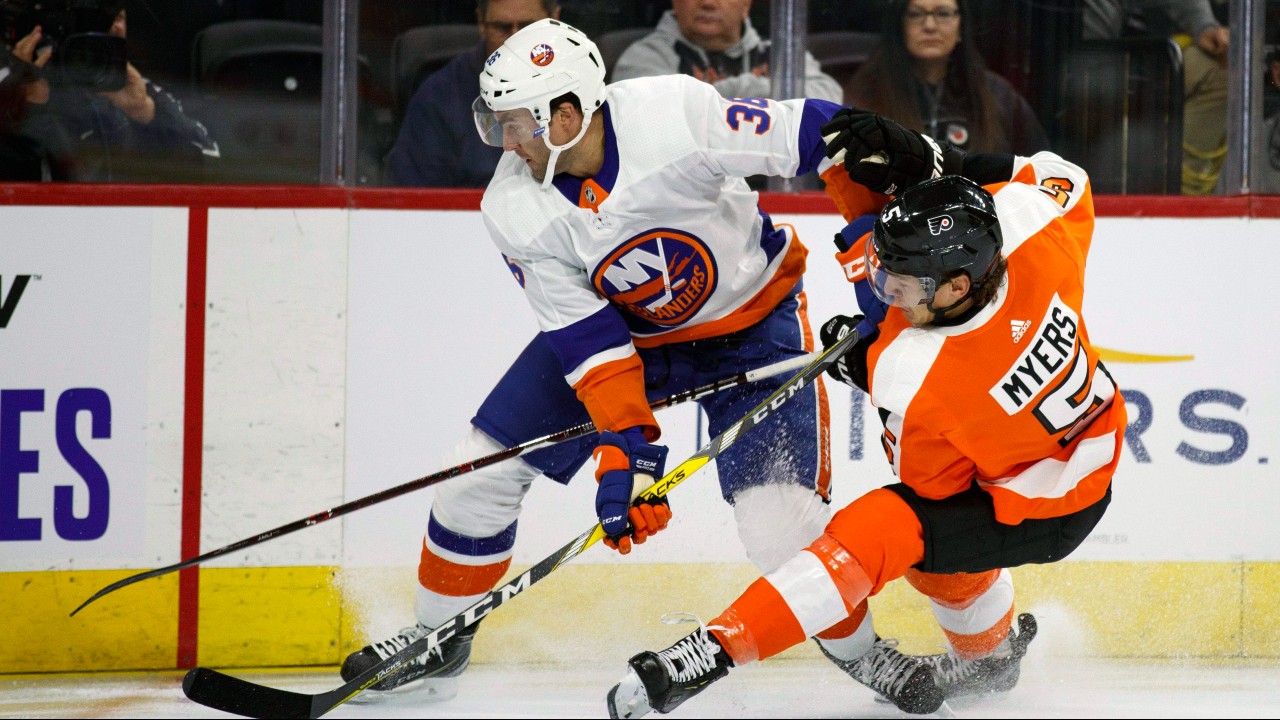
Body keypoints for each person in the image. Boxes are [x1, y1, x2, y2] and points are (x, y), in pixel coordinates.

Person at [338, 18, 939, 706]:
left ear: (566, 114)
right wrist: (626, 450)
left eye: (516, 124)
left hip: (753, 327)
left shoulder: (674, 115)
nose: (505, 144)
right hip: (630, 338)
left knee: (781, 527)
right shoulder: (513, 204)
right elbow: (591, 346)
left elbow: (831, 137)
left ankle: (868, 658)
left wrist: (869, 252)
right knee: (479, 472)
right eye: (497, 123)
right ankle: (436, 638)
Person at [605, 109, 1125, 718]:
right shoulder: (1031, 228)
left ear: (957, 287)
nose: (887, 292)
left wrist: (864, 367)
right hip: (1094, 452)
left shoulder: (913, 373)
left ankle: (709, 653)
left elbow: (928, 491)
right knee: (937, 562)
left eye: (902, 284)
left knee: (882, 534)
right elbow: (1065, 177)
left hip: (1048, 509)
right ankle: (992, 661)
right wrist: (943, 166)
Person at [11, 6, 219, 182]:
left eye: (119, 18)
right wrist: (19, 105)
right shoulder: (12, 93)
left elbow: (213, 163)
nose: (115, 27)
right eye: (101, 21)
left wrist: (147, 113)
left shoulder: (139, 91)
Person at [385, 0, 560, 187]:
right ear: (481, 22)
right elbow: (417, 205)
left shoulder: (585, 83)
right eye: (502, 28)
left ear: (555, 20)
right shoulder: (438, 98)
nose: (514, 42)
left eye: (528, 27)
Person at [843, 0, 1051, 155]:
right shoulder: (869, 92)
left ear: (961, 27)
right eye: (915, 14)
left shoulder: (997, 95)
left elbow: (1041, 167)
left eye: (943, 14)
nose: (930, 25)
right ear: (899, 26)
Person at [1083, 0, 1229, 194]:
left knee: (1219, 70)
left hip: (1149, 59)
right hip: (1087, 67)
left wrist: (1204, 26)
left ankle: (1182, 195)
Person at [610, 0, 843, 105]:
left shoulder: (780, 54)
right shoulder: (643, 56)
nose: (708, 3)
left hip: (772, 188)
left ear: (746, 5)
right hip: (684, 197)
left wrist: (737, 94)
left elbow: (829, 101)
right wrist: (765, 98)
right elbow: (646, 117)